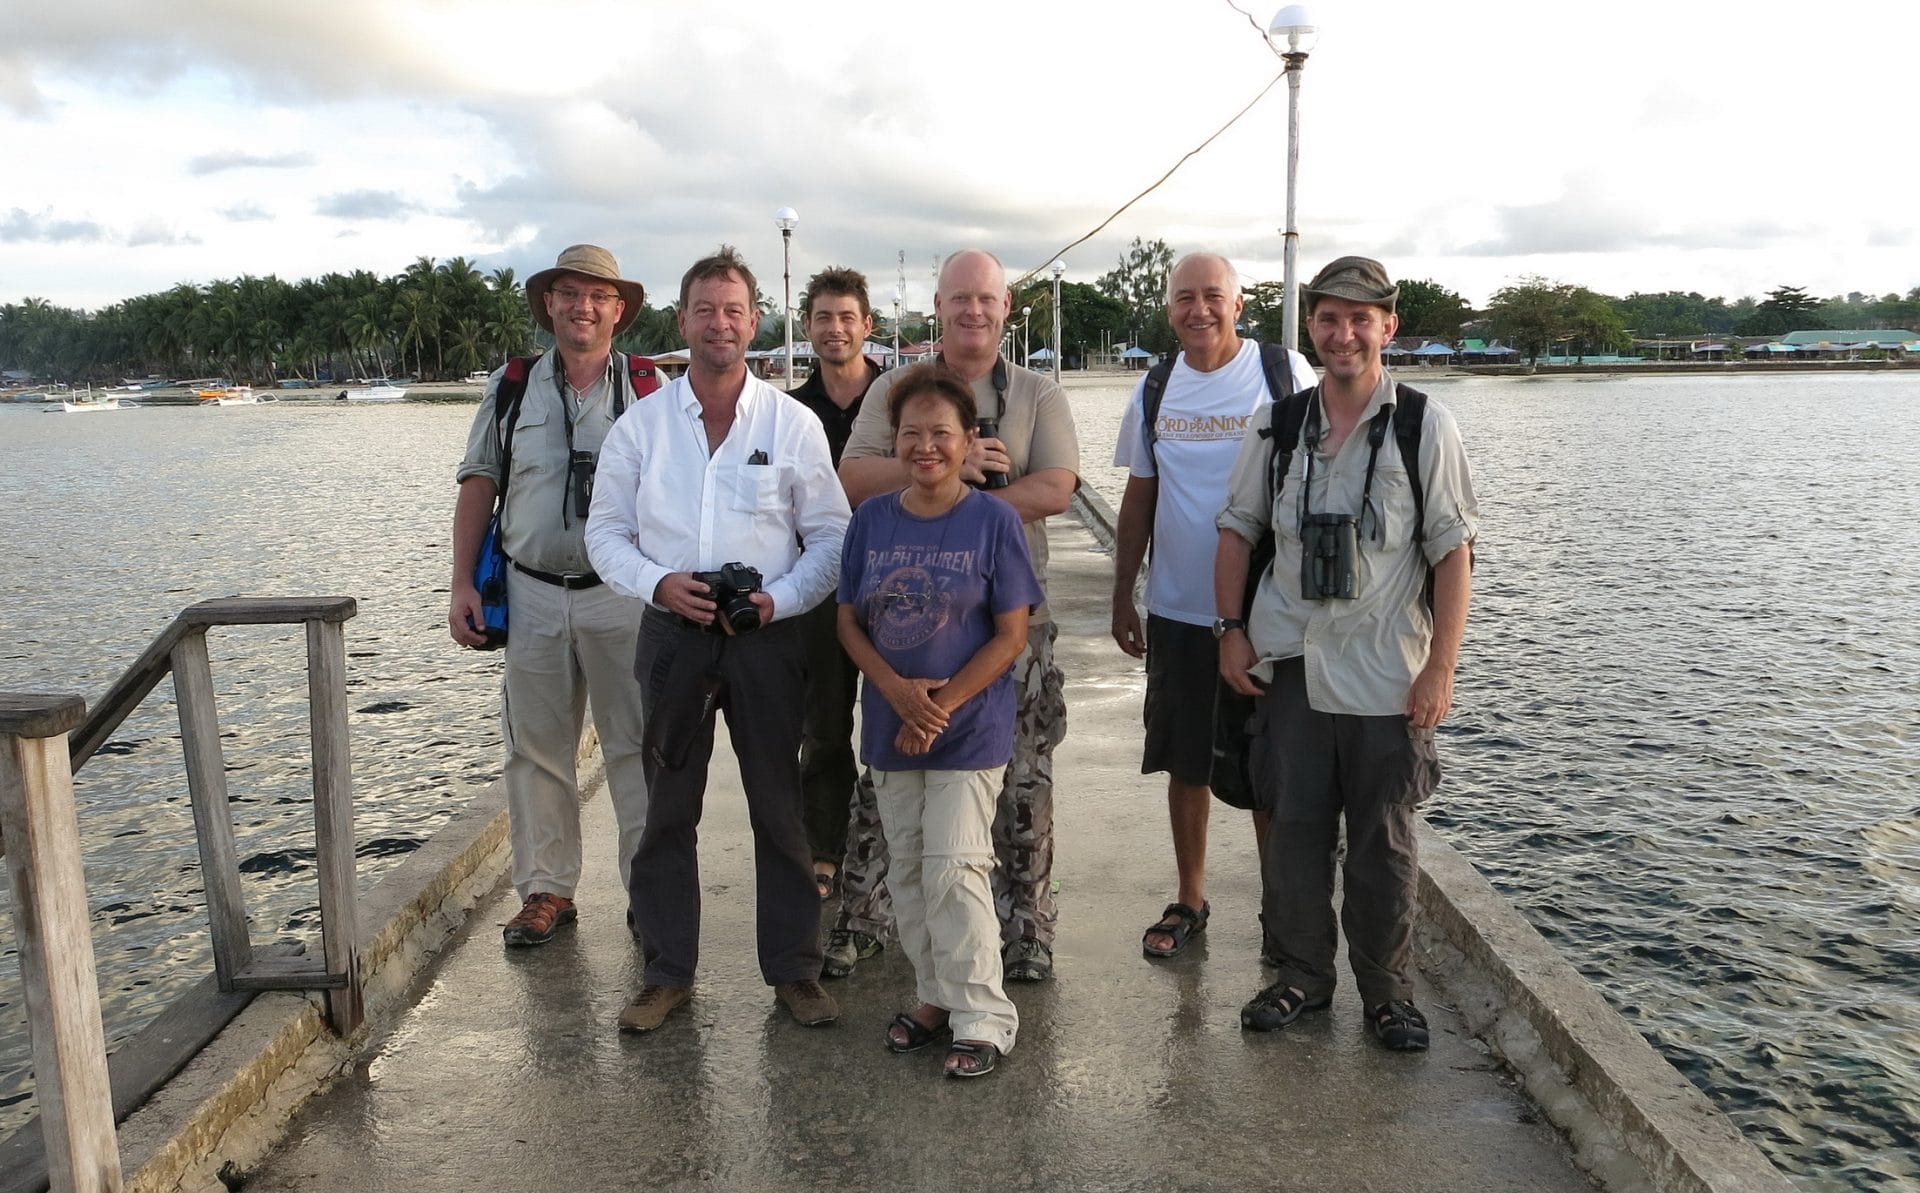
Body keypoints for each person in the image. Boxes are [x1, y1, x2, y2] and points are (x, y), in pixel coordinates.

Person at [1214, 256, 1477, 1051]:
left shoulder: (1423, 424)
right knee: (1292, 829)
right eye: (1330, 317)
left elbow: (1452, 550)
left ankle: (1387, 992)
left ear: (1388, 327)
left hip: (1387, 670)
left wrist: (1442, 666)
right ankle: (1299, 976)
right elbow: (1237, 528)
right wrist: (1230, 628)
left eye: (1362, 318)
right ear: (1311, 329)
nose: (1345, 332)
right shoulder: (1279, 424)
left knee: (1382, 839)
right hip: (1291, 660)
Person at [584, 245, 850, 1032]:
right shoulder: (642, 427)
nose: (720, 324)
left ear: (754, 320)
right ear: (683, 319)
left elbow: (831, 538)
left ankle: (795, 969)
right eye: (706, 309)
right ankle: (667, 972)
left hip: (765, 637)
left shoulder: (791, 424)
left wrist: (780, 599)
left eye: (734, 310)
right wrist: (657, 583)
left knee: (780, 805)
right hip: (673, 635)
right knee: (668, 809)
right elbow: (605, 533)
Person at [839, 249, 1080, 983]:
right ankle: (863, 914)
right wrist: (945, 469)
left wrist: (961, 505)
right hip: (907, 619)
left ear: (1006, 306)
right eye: (958, 300)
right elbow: (852, 476)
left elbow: (1058, 486)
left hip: (1010, 619)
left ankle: (1027, 925)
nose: (973, 311)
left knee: (1024, 780)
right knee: (889, 774)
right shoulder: (894, 389)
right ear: (936, 309)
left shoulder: (1039, 393)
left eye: (987, 299)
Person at [838, 364, 1041, 1079]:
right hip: (892, 721)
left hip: (969, 727)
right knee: (912, 871)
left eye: (941, 433)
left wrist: (939, 705)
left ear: (968, 441)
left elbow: (1011, 634)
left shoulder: (993, 520)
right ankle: (935, 994)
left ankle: (985, 1014)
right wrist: (898, 693)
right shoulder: (871, 520)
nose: (926, 446)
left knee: (957, 867)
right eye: (912, 434)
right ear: (895, 442)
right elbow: (849, 622)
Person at [448, 243, 654, 949]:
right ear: (549, 306)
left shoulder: (651, 390)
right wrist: (461, 584)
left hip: (621, 594)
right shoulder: (511, 386)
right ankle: (546, 890)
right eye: (569, 293)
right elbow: (480, 481)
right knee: (535, 750)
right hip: (532, 590)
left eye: (598, 296)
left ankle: (648, 891)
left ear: (619, 311)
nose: (583, 307)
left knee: (636, 746)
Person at [1110, 252, 1315, 960]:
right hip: (1177, 608)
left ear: (1239, 303)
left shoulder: (1282, 375)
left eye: (1213, 297)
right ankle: (1190, 896)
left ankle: (1279, 907)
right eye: (1184, 298)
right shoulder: (1156, 386)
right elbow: (1140, 494)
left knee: (1270, 765)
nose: (1199, 310)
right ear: (1169, 308)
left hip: (1267, 616)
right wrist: (1123, 593)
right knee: (1185, 760)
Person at [786, 268, 885, 905]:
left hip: (896, 579)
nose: (835, 329)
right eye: (823, 318)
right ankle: (824, 847)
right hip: (820, 586)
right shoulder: (789, 413)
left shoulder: (902, 397)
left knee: (899, 719)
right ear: (808, 328)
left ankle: (890, 845)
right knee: (822, 726)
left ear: (867, 325)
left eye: (846, 317)